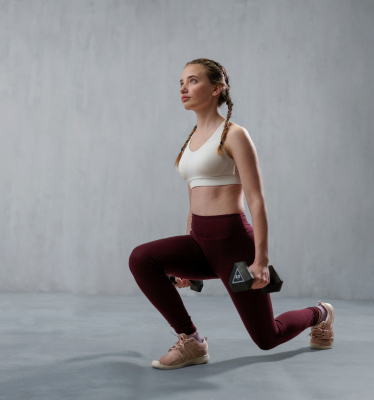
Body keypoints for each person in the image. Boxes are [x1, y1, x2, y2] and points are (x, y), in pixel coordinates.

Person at [129, 58, 334, 370]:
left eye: (193, 80)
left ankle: (321, 314)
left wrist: (261, 260)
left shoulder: (235, 134)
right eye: (181, 82)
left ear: (216, 89)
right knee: (141, 258)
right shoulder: (190, 142)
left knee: (267, 337)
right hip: (199, 243)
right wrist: (185, 257)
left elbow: (257, 200)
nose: (184, 88)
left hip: (234, 248)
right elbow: (193, 201)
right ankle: (192, 341)